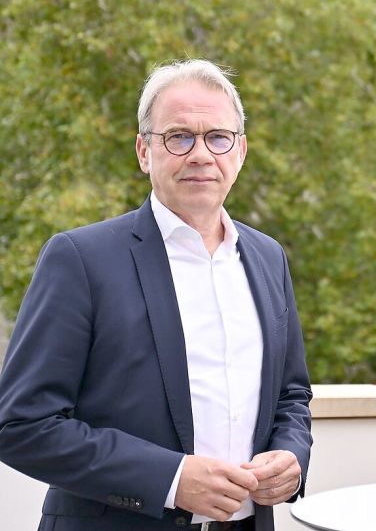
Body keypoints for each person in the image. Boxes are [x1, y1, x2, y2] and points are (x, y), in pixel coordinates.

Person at [0, 59, 313, 531]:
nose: (201, 154)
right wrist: (170, 479)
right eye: (178, 137)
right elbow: (21, 425)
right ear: (144, 151)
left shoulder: (267, 257)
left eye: (217, 137)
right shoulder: (81, 259)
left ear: (241, 151)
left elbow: (291, 394)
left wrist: (291, 455)